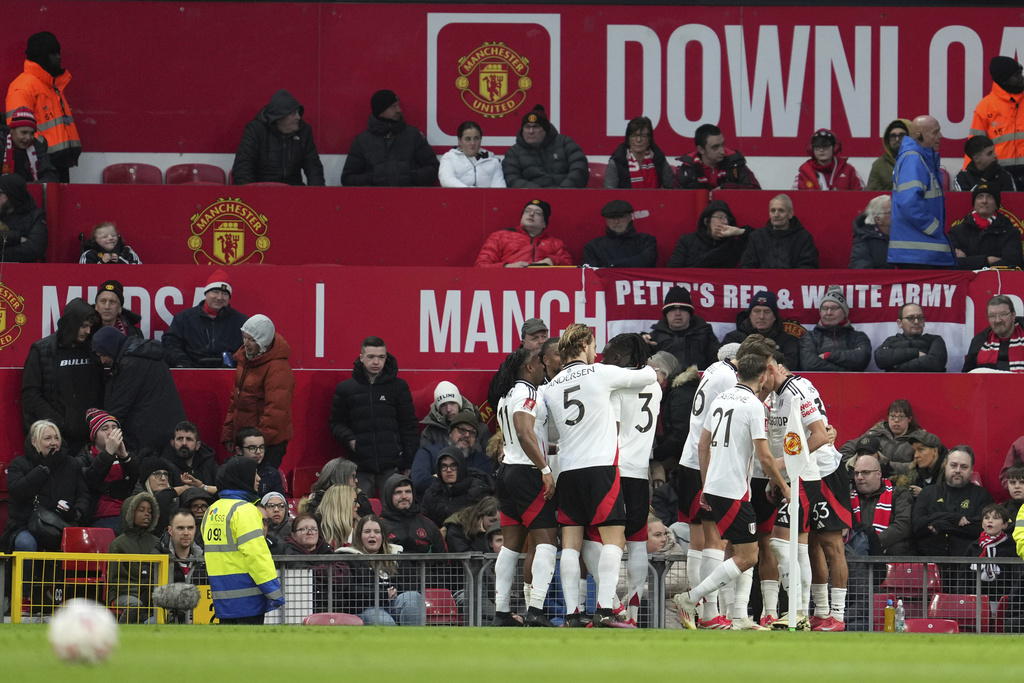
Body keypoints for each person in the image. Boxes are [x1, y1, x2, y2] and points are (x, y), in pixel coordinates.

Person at [545, 323, 658, 627]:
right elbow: (647, 375)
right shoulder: (599, 373)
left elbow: (548, 430)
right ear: (583, 344)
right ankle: (606, 609)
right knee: (613, 541)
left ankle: (571, 613)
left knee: (570, 545)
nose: (597, 352)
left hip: (567, 470)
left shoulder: (551, 385)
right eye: (594, 345)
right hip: (601, 468)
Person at [671, 353, 790, 630]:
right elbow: (764, 456)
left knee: (737, 550)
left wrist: (705, 484)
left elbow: (703, 445)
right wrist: (783, 486)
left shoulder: (721, 399)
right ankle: (692, 599)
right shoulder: (754, 405)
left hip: (714, 485)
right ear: (762, 376)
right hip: (734, 489)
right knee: (748, 555)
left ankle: (738, 616)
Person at [490, 347, 558, 627]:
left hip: (507, 471)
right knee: (547, 542)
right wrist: (545, 469)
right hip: (527, 473)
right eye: (538, 363)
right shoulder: (528, 393)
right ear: (529, 368)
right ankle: (536, 610)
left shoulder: (505, 395)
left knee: (511, 546)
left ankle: (502, 613)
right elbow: (523, 431)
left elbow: (520, 437)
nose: (543, 366)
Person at [601, 333, 660, 626]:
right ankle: (633, 615)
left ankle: (609, 604)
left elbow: (612, 429)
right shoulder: (655, 386)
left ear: (619, 357)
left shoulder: (616, 388)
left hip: (615, 471)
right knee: (637, 543)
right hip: (640, 472)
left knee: (602, 540)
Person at [330, 336, 418, 496]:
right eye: (371, 357)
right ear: (361, 358)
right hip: (360, 464)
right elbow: (336, 423)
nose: (376, 362)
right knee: (361, 512)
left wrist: (408, 462)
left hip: (392, 465)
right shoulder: (346, 389)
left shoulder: (398, 387)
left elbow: (409, 426)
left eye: (381, 357)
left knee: (393, 512)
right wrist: (351, 440)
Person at [203, 457, 284, 624]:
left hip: (222, 598)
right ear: (242, 477)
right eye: (254, 473)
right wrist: (273, 591)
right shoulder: (244, 510)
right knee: (251, 649)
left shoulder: (212, 510)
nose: (258, 478)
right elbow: (257, 555)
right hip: (248, 600)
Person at [21, 297, 104, 453]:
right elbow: (30, 395)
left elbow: (102, 389)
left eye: (90, 326)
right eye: (84, 326)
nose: (87, 331)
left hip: (90, 440)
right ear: (72, 323)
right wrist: (59, 424)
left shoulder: (93, 349)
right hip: (57, 440)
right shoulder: (42, 350)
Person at [93, 326, 186, 452]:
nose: (102, 360)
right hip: (165, 431)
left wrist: (105, 432)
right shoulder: (146, 354)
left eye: (103, 354)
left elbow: (119, 405)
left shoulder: (130, 363)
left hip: (147, 437)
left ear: (112, 347)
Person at [1, 420, 90, 552]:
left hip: (61, 525)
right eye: (47, 438)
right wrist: (44, 468)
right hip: (25, 526)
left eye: (56, 438)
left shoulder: (72, 464)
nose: (53, 442)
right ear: (34, 442)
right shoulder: (18, 464)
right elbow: (17, 491)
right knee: (26, 544)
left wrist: (76, 512)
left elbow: (83, 495)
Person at [221, 314, 294, 470]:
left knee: (261, 488)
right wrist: (229, 433)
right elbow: (236, 400)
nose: (245, 343)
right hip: (248, 442)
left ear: (264, 342)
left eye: (252, 340)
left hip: (267, 445)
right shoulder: (245, 360)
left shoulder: (278, 368)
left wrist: (255, 446)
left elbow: (275, 412)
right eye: (244, 337)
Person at [6, 31, 81, 181]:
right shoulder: (23, 87)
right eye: (52, 54)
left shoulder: (53, 85)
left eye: (58, 53)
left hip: (59, 163)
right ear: (40, 56)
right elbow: (16, 129)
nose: (58, 57)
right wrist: (42, 150)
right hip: (39, 166)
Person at [888, 115, 955, 268]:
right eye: (935, 132)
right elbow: (908, 203)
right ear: (919, 136)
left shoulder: (920, 158)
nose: (941, 136)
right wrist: (934, 228)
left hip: (918, 253)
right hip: (918, 254)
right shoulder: (914, 159)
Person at [341, 514, 426, 626]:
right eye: (367, 532)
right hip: (364, 608)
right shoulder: (348, 557)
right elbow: (350, 591)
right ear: (359, 536)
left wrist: (395, 591)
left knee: (413, 597)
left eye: (377, 532)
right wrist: (383, 594)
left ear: (382, 536)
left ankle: (415, 641)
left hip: (392, 604)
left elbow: (412, 583)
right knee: (385, 622)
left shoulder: (396, 554)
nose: (372, 535)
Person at [341, 89, 438, 187]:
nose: (399, 110)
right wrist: (373, 178)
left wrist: (410, 176)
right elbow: (347, 178)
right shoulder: (362, 141)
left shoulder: (413, 135)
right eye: (393, 107)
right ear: (380, 111)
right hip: (374, 200)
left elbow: (434, 168)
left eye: (398, 105)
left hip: (410, 198)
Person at [912, 445, 994, 557]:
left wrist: (941, 525)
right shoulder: (928, 493)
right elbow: (918, 526)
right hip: (930, 563)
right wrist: (953, 518)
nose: (958, 470)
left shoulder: (982, 495)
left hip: (968, 564)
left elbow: (984, 528)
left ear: (971, 470)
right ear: (945, 466)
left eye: (964, 467)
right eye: (953, 465)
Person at [231, 89, 324, 186]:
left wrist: (317, 196)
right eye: (293, 114)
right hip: (261, 190)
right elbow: (242, 167)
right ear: (278, 118)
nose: (298, 117)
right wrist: (251, 196)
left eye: (298, 112)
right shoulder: (255, 130)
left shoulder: (304, 131)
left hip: (294, 191)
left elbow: (313, 167)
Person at [162, 270, 248, 368]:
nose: (220, 298)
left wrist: (235, 361)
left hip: (228, 374)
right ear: (206, 293)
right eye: (215, 292)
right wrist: (181, 362)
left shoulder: (241, 322)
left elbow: (250, 348)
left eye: (224, 294)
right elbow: (170, 343)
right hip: (190, 372)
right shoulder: (184, 318)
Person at [75, 408, 139, 533]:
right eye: (105, 429)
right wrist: (108, 453)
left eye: (114, 428)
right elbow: (91, 481)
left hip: (129, 514)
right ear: (94, 436)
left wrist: (125, 457)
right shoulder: (82, 459)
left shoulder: (127, 455)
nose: (111, 432)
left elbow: (138, 480)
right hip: (101, 516)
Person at [968, 56, 1024, 189]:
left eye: (1020, 73)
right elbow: (974, 146)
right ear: (1003, 79)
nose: (1021, 77)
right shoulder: (985, 107)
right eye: (1016, 75)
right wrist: (970, 176)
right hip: (999, 175)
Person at [501, 105, 588, 188]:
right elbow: (512, 179)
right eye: (527, 127)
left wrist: (563, 190)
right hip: (532, 200)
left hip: (567, 195)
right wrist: (540, 194)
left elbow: (580, 169)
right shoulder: (513, 153)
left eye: (536, 127)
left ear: (546, 130)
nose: (531, 131)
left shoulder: (565, 142)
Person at [107, 491, 161, 623]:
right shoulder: (118, 544)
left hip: (150, 594)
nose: (147, 514)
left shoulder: (157, 542)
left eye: (149, 511)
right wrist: (142, 593)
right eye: (141, 510)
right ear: (129, 514)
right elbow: (116, 580)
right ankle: (121, 633)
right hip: (123, 594)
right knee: (135, 604)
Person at [411, 411, 492, 497]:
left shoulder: (482, 461)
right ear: (450, 433)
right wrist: (465, 480)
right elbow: (420, 481)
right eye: (462, 430)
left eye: (472, 433)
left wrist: (440, 478)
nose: (467, 435)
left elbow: (481, 487)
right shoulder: (428, 452)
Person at [474, 199, 573, 267]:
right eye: (527, 211)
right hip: (507, 286)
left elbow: (571, 268)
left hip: (545, 286)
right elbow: (480, 266)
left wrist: (552, 261)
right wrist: (508, 267)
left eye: (537, 213)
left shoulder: (556, 243)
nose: (531, 214)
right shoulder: (500, 236)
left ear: (544, 223)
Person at [643, 285, 720, 372]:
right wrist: (641, 345)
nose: (677, 313)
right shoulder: (654, 338)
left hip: (698, 383)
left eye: (683, 309)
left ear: (689, 314)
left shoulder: (705, 334)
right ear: (666, 314)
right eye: (672, 310)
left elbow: (717, 364)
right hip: (666, 384)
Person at [849, 454, 914, 555]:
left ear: (879, 474)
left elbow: (903, 526)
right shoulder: (848, 499)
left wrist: (872, 542)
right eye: (856, 473)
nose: (859, 477)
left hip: (890, 553)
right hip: (856, 554)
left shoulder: (899, 495)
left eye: (865, 472)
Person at [948, 183, 1023, 270]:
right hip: (965, 282)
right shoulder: (957, 231)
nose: (984, 201)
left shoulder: (1011, 232)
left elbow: (1012, 264)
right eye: (980, 197)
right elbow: (949, 263)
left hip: (997, 282)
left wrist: (967, 261)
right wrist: (987, 260)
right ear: (974, 203)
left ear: (996, 205)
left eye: (989, 197)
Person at [838, 400, 922, 477]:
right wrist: (858, 467)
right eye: (892, 416)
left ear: (909, 419)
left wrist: (887, 466)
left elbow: (919, 466)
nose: (896, 420)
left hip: (904, 485)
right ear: (888, 418)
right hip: (874, 483)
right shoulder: (876, 434)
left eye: (901, 417)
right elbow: (846, 449)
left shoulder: (917, 440)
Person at [798, 286, 871, 372]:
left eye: (834, 308)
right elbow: (809, 364)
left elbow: (862, 359)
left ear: (844, 312)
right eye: (824, 308)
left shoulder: (858, 337)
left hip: (854, 384)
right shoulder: (809, 337)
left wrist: (828, 356)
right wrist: (845, 371)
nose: (829, 313)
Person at [722, 290, 800, 370]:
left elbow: (790, 366)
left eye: (767, 312)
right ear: (750, 315)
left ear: (774, 317)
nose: (761, 316)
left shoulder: (788, 341)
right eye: (757, 311)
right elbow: (725, 365)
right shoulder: (733, 338)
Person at [739, 194, 819, 269]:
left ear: (790, 214)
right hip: (762, 283)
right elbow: (746, 266)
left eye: (781, 210)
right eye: (773, 210)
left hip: (793, 283)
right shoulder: (756, 237)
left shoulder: (804, 238)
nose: (776, 215)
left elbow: (809, 267)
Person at [666, 199, 751, 269]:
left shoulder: (733, 244)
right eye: (720, 217)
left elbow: (760, 238)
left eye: (727, 218)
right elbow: (673, 269)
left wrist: (739, 232)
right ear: (706, 221)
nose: (725, 222)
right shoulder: (687, 240)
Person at [421, 446, 492, 528]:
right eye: (444, 466)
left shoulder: (478, 491)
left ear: (461, 467)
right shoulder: (432, 492)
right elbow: (424, 524)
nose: (448, 470)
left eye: (453, 465)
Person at [674, 123, 760, 190]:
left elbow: (755, 190)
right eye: (715, 147)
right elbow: (677, 200)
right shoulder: (687, 169)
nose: (722, 151)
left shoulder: (735, 163)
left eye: (722, 145)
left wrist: (726, 189)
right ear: (701, 150)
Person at [378, 473, 447, 555]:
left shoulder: (428, 525)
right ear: (388, 496)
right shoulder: (378, 527)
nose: (404, 496)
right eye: (398, 492)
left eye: (408, 492)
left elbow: (444, 562)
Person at [581, 199, 658, 268]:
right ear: (606, 220)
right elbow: (589, 274)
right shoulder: (593, 246)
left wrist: (611, 266)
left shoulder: (646, 240)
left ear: (630, 217)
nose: (616, 222)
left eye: (620, 217)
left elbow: (648, 260)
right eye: (611, 218)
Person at [874, 302, 948, 372]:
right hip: (895, 383)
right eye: (910, 318)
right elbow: (880, 359)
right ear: (900, 323)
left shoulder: (934, 340)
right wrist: (915, 353)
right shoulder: (891, 341)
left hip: (928, 383)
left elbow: (935, 363)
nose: (916, 322)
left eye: (920, 318)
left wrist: (896, 366)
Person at [604, 116, 674, 189]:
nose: (638, 140)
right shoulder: (617, 161)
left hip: (654, 200)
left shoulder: (659, 159)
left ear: (649, 140)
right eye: (634, 136)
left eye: (643, 136)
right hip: (624, 200)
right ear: (628, 139)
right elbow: (609, 194)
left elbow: (671, 188)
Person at [418, 381, 490, 448]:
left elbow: (488, 458)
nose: (448, 409)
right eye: (443, 405)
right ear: (438, 409)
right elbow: (423, 458)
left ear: (459, 404)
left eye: (452, 403)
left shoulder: (480, 429)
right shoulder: (429, 433)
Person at [963, 294, 1024, 373]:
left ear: (1013, 315)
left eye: (1003, 314)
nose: (997, 320)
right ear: (988, 318)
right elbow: (967, 376)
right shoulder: (979, 341)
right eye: (992, 316)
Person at [438, 121, 505, 188]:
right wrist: (470, 192)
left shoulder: (494, 162)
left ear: (481, 140)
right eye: (467, 139)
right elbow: (446, 180)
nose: (472, 143)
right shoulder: (449, 158)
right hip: (458, 198)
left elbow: (499, 190)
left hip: (487, 198)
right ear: (460, 141)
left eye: (476, 138)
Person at [793, 129, 863, 190]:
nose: (821, 150)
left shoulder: (849, 170)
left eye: (825, 146)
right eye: (817, 146)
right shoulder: (803, 174)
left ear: (834, 147)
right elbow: (794, 201)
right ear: (812, 149)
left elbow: (862, 196)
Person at [163, 420, 219, 496]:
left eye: (189, 439)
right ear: (172, 443)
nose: (184, 443)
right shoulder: (164, 466)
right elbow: (162, 496)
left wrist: (203, 487)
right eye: (180, 439)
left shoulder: (209, 463)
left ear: (197, 445)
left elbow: (225, 490)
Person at [1, 108, 58, 182]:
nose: (28, 138)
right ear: (12, 130)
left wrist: (33, 187)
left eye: (32, 133)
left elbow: (50, 175)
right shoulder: (2, 143)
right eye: (23, 133)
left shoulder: (37, 147)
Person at [0, 172, 47, 262]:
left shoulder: (35, 216)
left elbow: (35, 248)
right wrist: (17, 237)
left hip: (24, 272)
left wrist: (2, 254)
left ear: (12, 195)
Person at [234, 427, 284, 498]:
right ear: (239, 450)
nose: (258, 452)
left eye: (261, 447)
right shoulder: (229, 473)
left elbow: (280, 503)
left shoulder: (271, 474)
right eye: (252, 448)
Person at [893, 430, 946, 497]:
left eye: (920, 450)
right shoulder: (916, 470)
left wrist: (924, 494)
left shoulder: (950, 472)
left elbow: (950, 500)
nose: (916, 455)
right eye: (914, 451)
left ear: (935, 451)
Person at [163, 508, 207, 587]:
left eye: (190, 528)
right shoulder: (157, 558)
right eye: (180, 528)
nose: (186, 533)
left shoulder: (205, 559)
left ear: (195, 529)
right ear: (170, 530)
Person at [848, 195, 893, 269]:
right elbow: (862, 270)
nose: (896, 214)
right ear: (878, 220)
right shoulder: (863, 239)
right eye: (890, 212)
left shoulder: (903, 233)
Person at [865, 119, 910, 191]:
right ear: (887, 140)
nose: (897, 139)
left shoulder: (921, 160)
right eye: (893, 136)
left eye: (902, 135)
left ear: (911, 137)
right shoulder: (879, 165)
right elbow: (873, 196)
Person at [317, 484, 359, 548]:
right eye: (354, 501)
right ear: (341, 504)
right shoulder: (316, 529)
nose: (358, 505)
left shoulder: (360, 528)